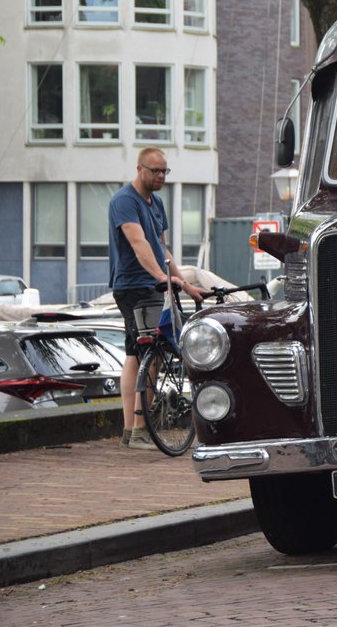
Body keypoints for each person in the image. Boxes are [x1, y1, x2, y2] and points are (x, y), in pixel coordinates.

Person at [109, 148, 204, 449]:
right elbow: (138, 245)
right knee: (152, 355)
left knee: (134, 354)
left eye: (165, 171)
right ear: (139, 169)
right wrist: (162, 279)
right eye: (155, 171)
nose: (161, 176)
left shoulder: (157, 203)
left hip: (150, 284)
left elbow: (161, 249)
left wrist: (184, 284)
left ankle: (130, 431)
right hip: (135, 285)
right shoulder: (124, 201)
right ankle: (139, 429)